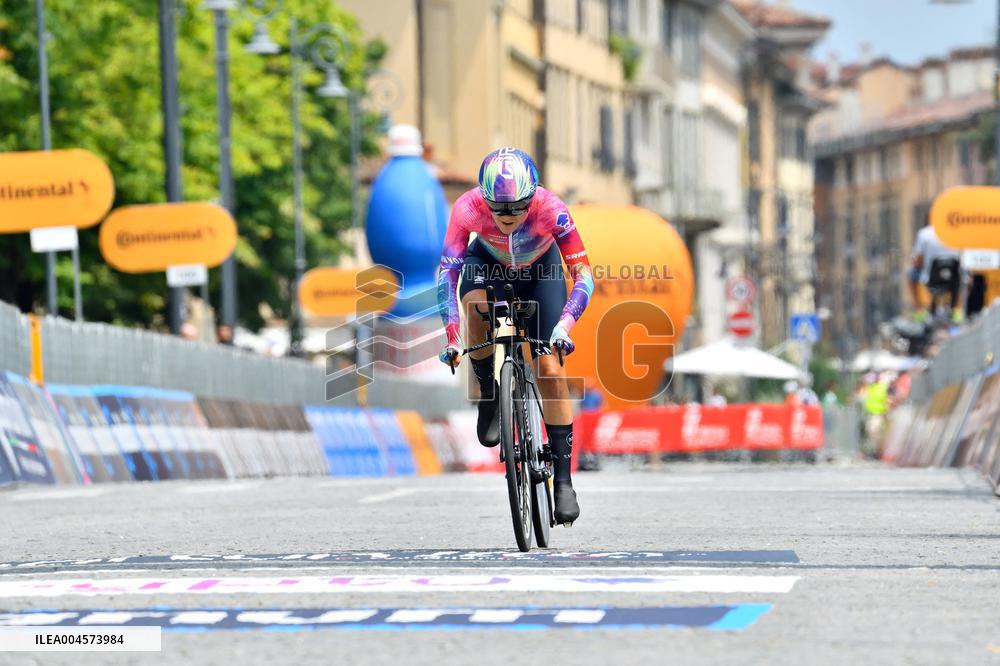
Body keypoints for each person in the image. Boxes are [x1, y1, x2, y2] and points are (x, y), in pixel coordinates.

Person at [437, 147, 594, 525]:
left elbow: (584, 276)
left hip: (541, 270)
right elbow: (447, 274)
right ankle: (488, 394)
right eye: (499, 209)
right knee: (475, 304)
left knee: (550, 370)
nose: (507, 218)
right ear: (485, 200)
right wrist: (452, 336)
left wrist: (564, 325)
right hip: (487, 263)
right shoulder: (467, 208)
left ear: (532, 197)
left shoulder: (552, 209)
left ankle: (563, 481)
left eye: (517, 208)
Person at [909, 223, 965, 323]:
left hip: (931, 278)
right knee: (963, 276)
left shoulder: (924, 234)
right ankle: (958, 310)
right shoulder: (958, 231)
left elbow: (917, 263)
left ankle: (919, 311)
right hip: (954, 279)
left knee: (910, 274)